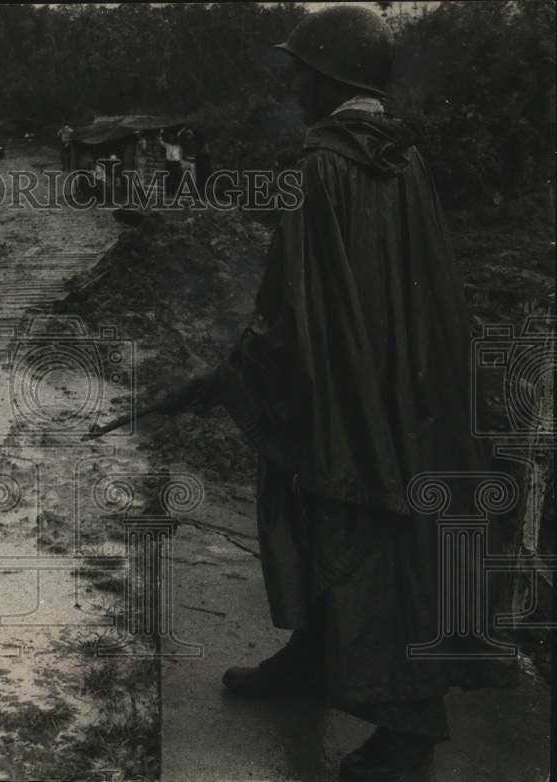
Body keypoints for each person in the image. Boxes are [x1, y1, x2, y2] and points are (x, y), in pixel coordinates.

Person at [208, 6, 513, 782]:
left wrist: (240, 371)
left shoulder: (322, 164)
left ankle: (409, 734)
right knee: (318, 506)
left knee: (362, 529)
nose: (295, 87)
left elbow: (291, 309)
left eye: (302, 74)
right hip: (407, 375)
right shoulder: (402, 157)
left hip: (348, 383)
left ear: (330, 79)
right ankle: (311, 658)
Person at [158, 128, 183, 201]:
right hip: (169, 163)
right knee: (168, 178)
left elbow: (181, 154)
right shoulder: (167, 145)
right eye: (170, 137)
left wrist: (180, 163)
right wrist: (160, 133)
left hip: (176, 163)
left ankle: (176, 193)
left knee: (176, 178)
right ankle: (169, 193)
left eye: (172, 137)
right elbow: (160, 141)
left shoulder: (178, 146)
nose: (171, 138)